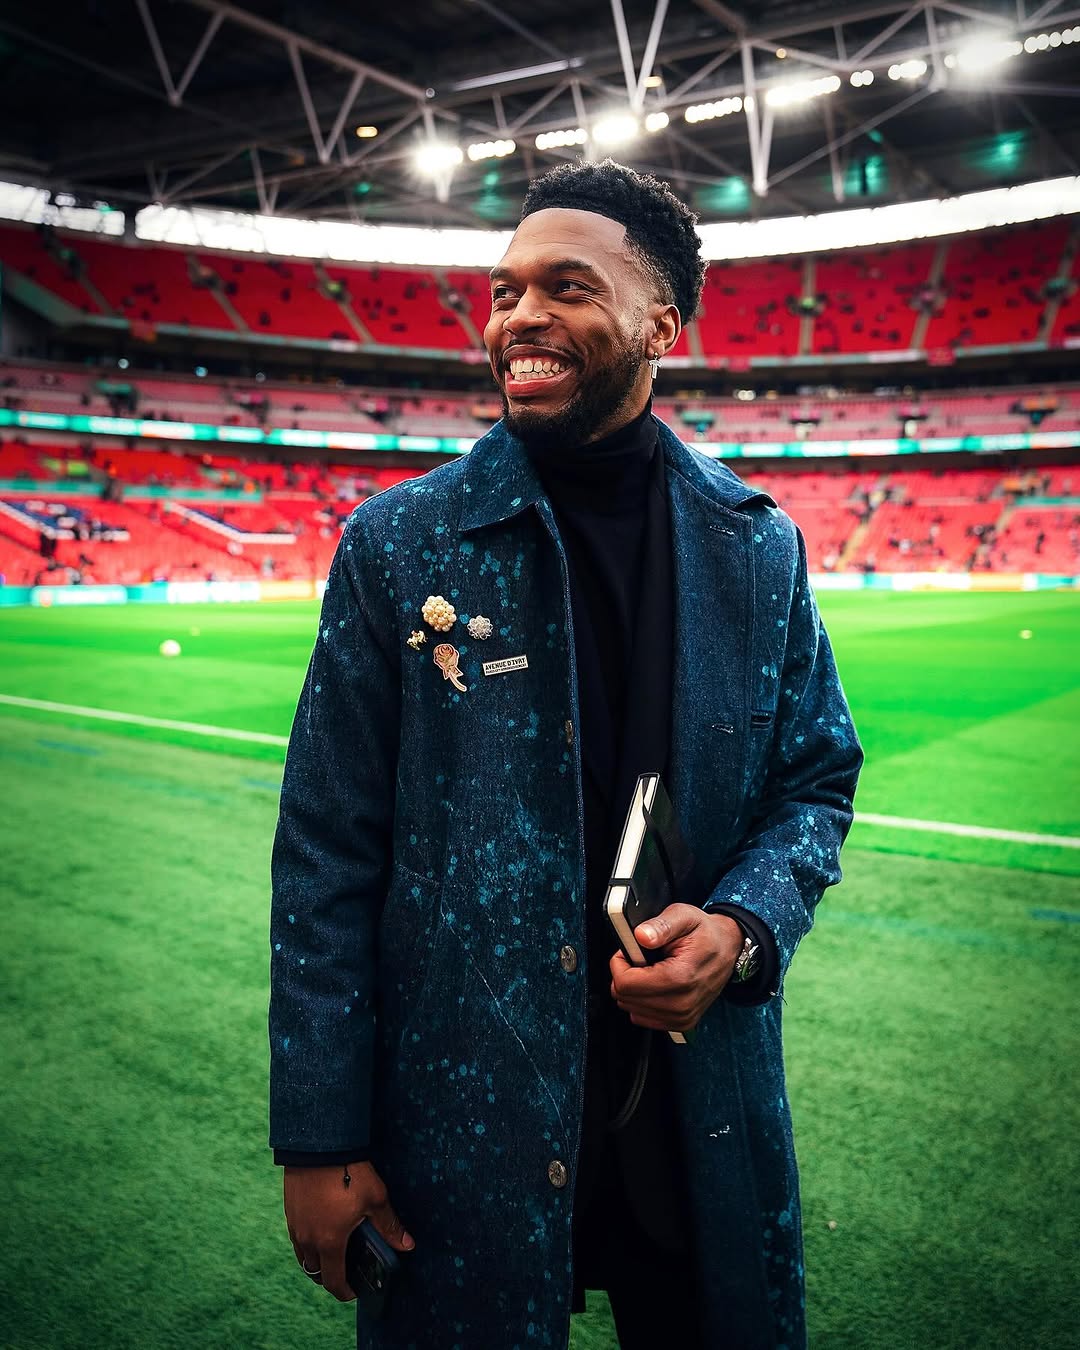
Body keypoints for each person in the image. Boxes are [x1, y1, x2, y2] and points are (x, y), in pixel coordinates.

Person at [269, 160, 863, 1350]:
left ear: (662, 327)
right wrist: (320, 1135)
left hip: (696, 1110)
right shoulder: (401, 541)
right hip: (465, 1110)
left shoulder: (757, 546)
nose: (519, 317)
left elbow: (815, 781)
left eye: (566, 287)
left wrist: (743, 929)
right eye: (504, 292)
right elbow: (327, 850)